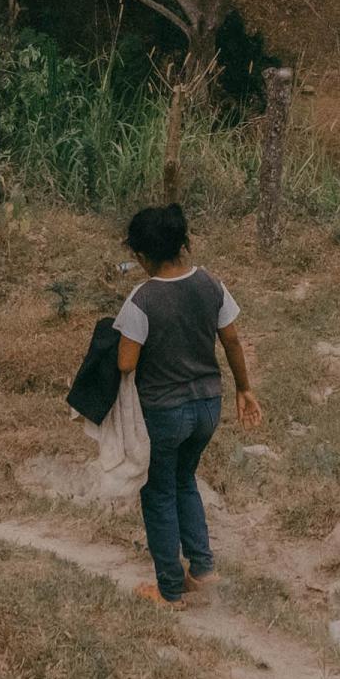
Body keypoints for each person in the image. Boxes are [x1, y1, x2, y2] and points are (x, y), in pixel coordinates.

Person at [112, 201, 262, 605]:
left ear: (142, 257)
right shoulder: (211, 284)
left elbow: (126, 363)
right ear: (183, 243)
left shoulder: (142, 300)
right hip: (208, 407)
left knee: (158, 491)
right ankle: (202, 568)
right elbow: (230, 338)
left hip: (165, 412)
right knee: (185, 480)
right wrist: (243, 389)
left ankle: (169, 589)